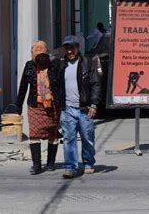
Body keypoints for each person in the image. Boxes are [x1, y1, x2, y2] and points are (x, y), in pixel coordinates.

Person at [58, 35, 101, 179]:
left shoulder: (87, 63)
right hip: (67, 109)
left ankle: (88, 163)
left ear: (78, 48)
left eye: (72, 47)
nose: (69, 50)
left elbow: (96, 84)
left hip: (85, 108)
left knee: (87, 138)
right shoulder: (61, 64)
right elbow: (56, 84)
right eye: (67, 47)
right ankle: (70, 167)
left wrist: (94, 104)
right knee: (69, 139)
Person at [16, 41, 61, 174]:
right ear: (33, 55)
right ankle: (37, 164)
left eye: (43, 55)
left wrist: (62, 104)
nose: (41, 59)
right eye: (38, 56)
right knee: (34, 134)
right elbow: (23, 87)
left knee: (53, 134)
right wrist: (18, 107)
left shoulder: (55, 65)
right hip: (35, 106)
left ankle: (51, 162)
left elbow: (61, 85)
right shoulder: (29, 66)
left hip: (52, 105)